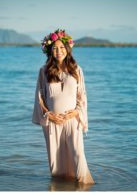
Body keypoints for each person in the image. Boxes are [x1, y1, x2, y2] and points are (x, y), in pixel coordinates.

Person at [32, 29, 95, 184]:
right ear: (49, 50)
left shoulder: (76, 70)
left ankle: (84, 187)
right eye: (54, 48)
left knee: (78, 157)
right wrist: (48, 114)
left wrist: (75, 113)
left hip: (72, 120)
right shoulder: (44, 71)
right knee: (56, 163)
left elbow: (82, 96)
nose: (58, 51)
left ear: (67, 49)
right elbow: (39, 97)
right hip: (52, 122)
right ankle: (61, 188)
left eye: (61, 47)